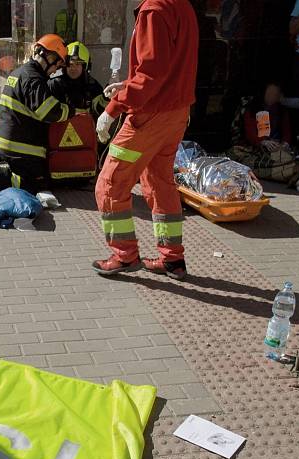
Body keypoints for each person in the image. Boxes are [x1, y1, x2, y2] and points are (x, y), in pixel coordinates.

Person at [92, 0, 198, 280]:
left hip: (150, 115)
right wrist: (127, 87)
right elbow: (167, 68)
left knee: (110, 184)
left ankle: (124, 255)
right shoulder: (182, 6)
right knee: (159, 182)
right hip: (176, 113)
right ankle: (173, 259)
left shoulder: (154, 9)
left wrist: (113, 109)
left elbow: (152, 73)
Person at [0, 34, 73, 200]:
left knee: (40, 179)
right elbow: (50, 112)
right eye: (56, 66)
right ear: (50, 57)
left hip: (10, 142)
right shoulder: (33, 79)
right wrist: (71, 111)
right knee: (32, 186)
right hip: (21, 148)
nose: (54, 72)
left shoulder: (20, 73)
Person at [47, 41, 106, 120]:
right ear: (64, 65)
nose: (73, 68)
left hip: (85, 130)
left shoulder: (93, 86)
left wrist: (107, 97)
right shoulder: (54, 84)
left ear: (84, 67)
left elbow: (100, 111)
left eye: (78, 64)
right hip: (59, 130)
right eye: (70, 64)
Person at [243, 83, 293, 149]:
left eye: (275, 94)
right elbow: (250, 132)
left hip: (277, 145)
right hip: (257, 147)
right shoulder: (254, 108)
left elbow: (287, 131)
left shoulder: (281, 109)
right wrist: (262, 141)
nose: (271, 97)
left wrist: (286, 143)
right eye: (269, 93)